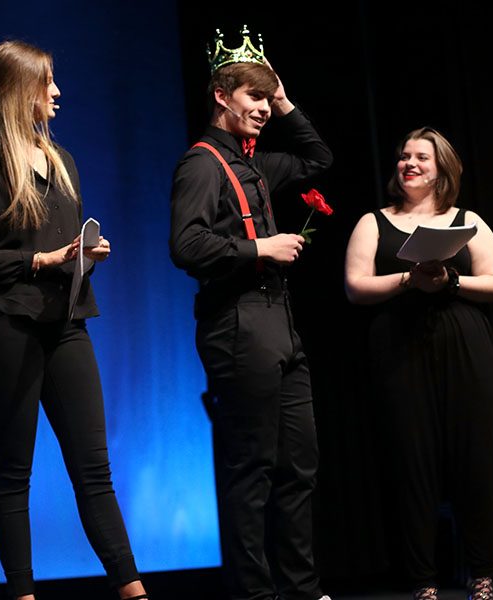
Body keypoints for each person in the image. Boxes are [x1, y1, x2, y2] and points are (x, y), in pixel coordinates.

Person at [0, 40, 147, 600]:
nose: (56, 92)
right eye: (45, 82)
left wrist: (82, 259)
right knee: (14, 469)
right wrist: (39, 260)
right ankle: (24, 594)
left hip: (66, 322)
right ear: (14, 91)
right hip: (5, 325)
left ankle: (132, 589)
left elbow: (62, 249)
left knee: (94, 469)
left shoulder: (63, 162)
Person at [169, 27, 333, 600]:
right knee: (252, 468)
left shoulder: (258, 164)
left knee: (300, 466)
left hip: (279, 322)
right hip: (237, 322)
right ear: (221, 95)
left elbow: (318, 157)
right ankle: (255, 594)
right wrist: (260, 247)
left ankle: (302, 589)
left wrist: (285, 99)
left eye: (268, 100)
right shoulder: (202, 165)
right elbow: (185, 246)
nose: (263, 109)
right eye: (252, 97)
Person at [344, 127, 493, 600]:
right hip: (400, 347)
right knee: (413, 464)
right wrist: (409, 281)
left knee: (472, 461)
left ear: (441, 170)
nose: (408, 164)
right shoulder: (374, 222)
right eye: (403, 156)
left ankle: (481, 574)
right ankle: (423, 581)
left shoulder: (466, 219)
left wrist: (450, 281)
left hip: (464, 346)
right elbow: (355, 286)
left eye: (421, 158)